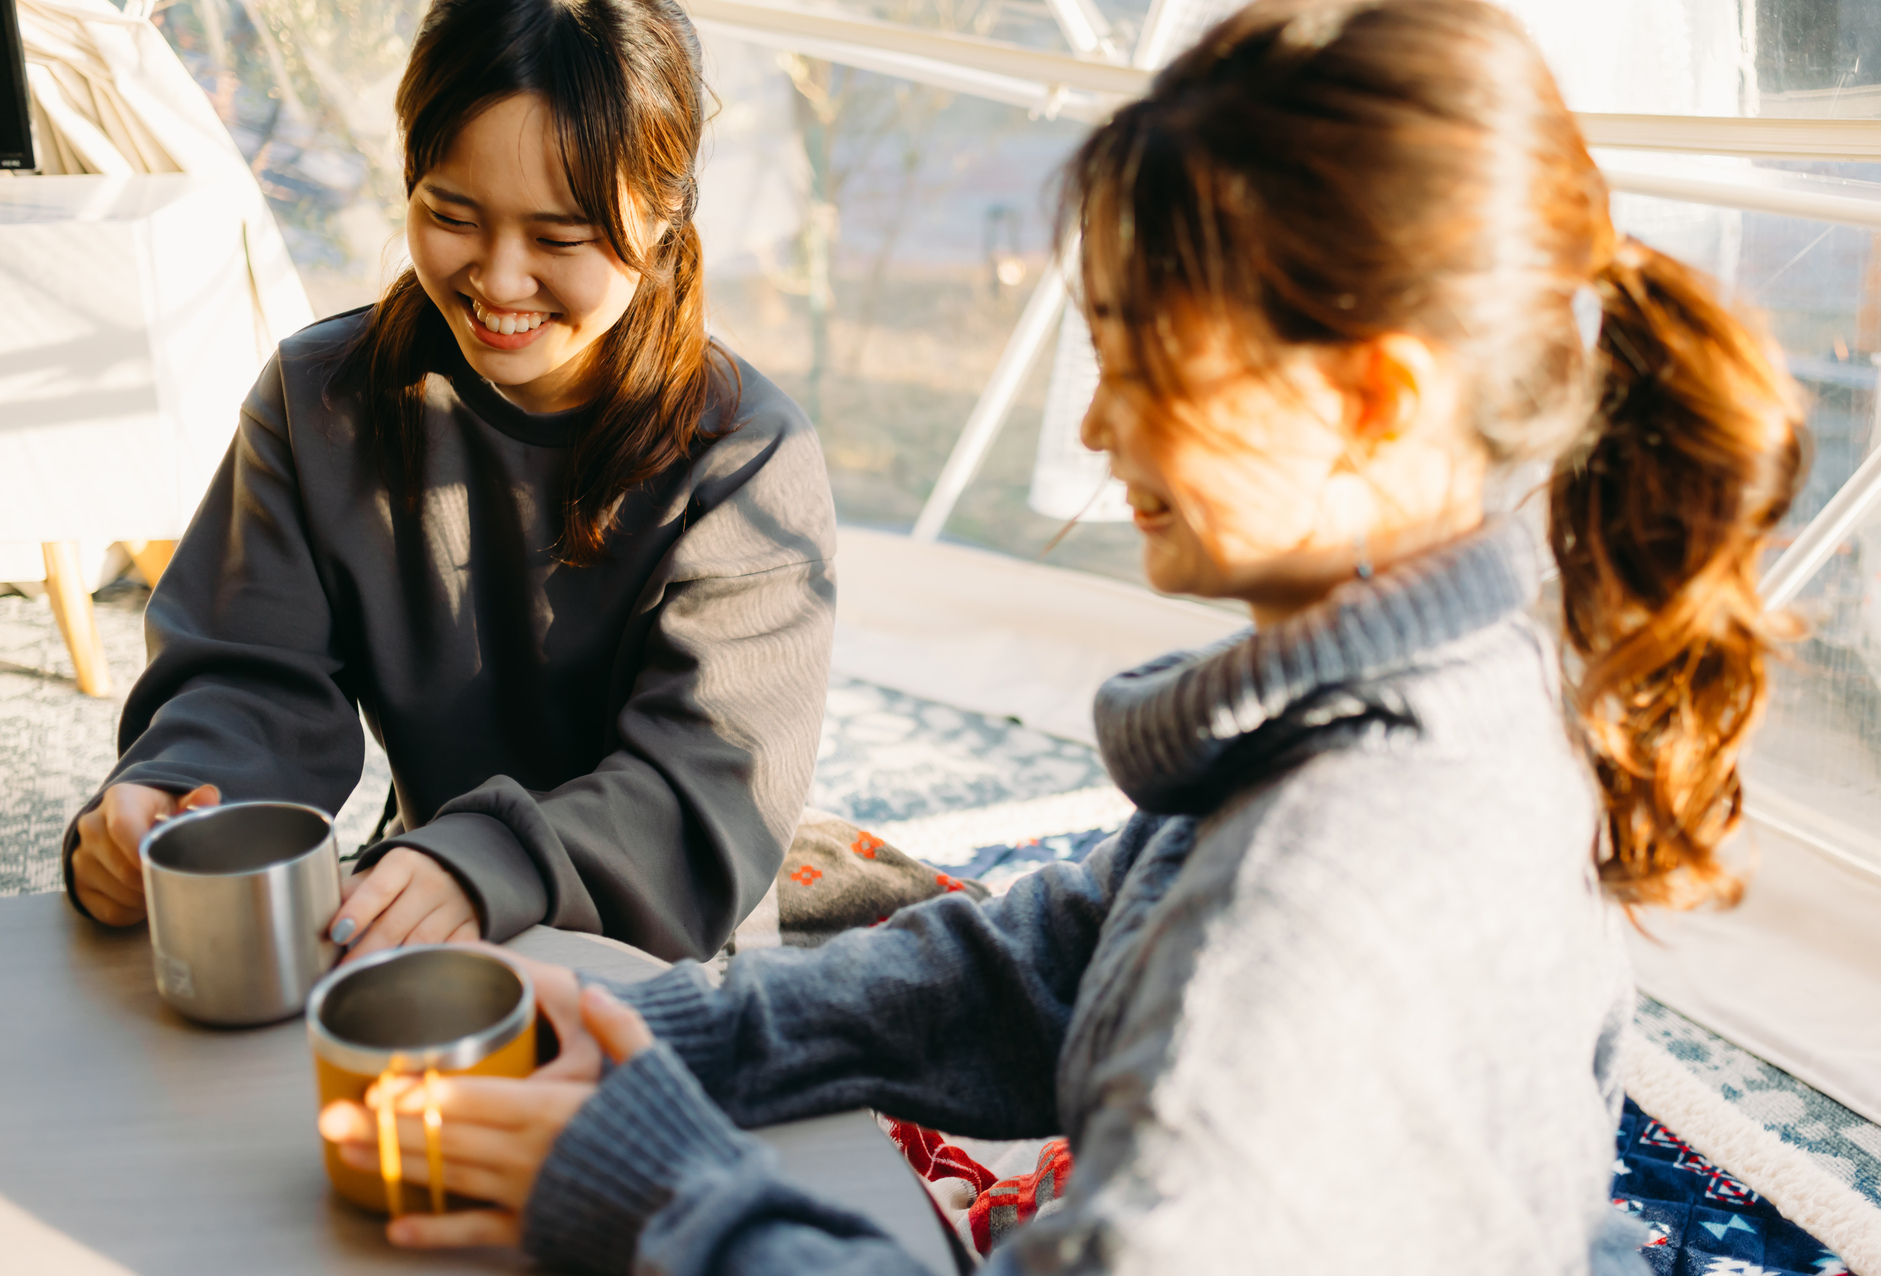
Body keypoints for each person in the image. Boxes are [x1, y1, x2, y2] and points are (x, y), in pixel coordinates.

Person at [317, 0, 1804, 1269]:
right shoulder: (1440, 682)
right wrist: (689, 1038)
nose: (1092, 426)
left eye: (1135, 362)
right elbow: (1062, 955)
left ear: (1369, 401)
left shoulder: (1321, 905)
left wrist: (659, 1197)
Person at [62, 0, 835, 962]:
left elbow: (705, 790)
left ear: (666, 215)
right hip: (425, 890)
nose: (500, 283)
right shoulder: (320, 400)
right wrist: (175, 797)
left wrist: (488, 861)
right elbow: (248, 676)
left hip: (664, 941)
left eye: (560, 239)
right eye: (452, 215)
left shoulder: (745, 457)